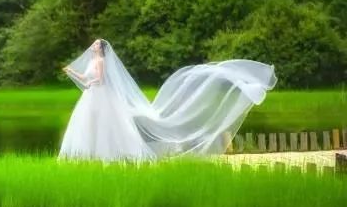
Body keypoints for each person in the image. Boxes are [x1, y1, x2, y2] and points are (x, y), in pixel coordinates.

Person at [59, 39, 276, 161]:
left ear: (101, 49)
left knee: (108, 127)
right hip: (92, 96)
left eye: (97, 45)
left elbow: (98, 78)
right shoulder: (94, 59)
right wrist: (74, 74)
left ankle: (110, 156)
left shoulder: (100, 61)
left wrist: (87, 82)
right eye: (94, 44)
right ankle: (92, 155)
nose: (94, 45)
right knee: (90, 126)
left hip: (98, 95)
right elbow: (89, 78)